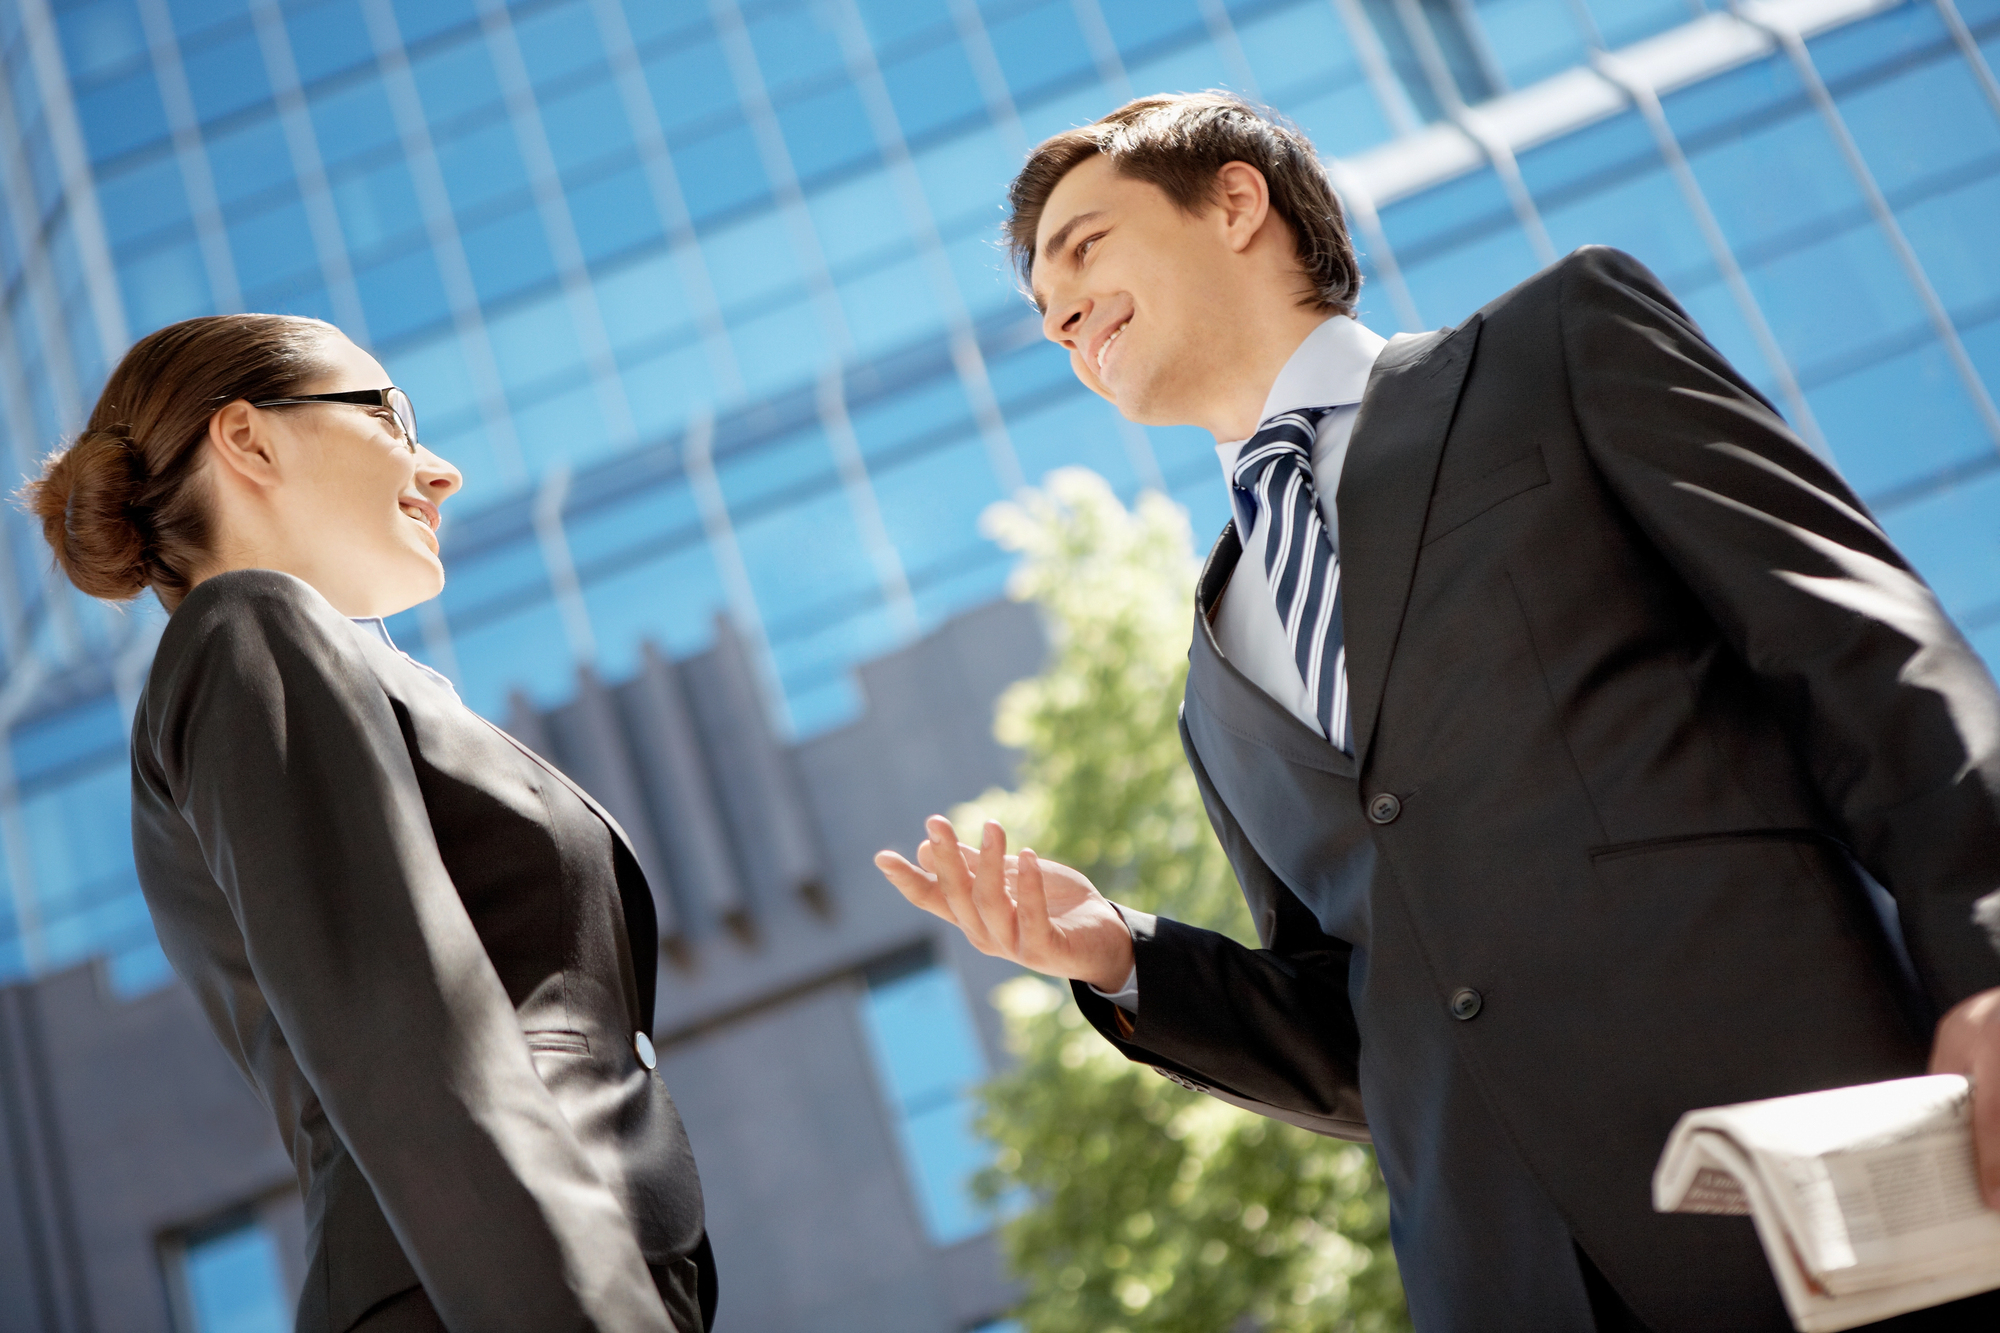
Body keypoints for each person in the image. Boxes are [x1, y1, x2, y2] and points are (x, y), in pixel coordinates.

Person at [875, 93, 2000, 1331]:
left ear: (1236, 202)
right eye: (1043, 311)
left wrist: (1989, 962)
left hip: (1817, 1153)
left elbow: (1860, 650)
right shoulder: (1212, 681)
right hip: (1507, 1278)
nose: (1062, 314)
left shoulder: (1551, 350)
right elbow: (1370, 1022)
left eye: (1084, 247)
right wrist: (1126, 957)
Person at [25, 315, 714, 1332]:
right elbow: (405, 1035)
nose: (441, 472)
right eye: (391, 418)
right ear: (249, 439)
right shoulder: (246, 630)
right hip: (502, 1287)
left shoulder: (312, 663)